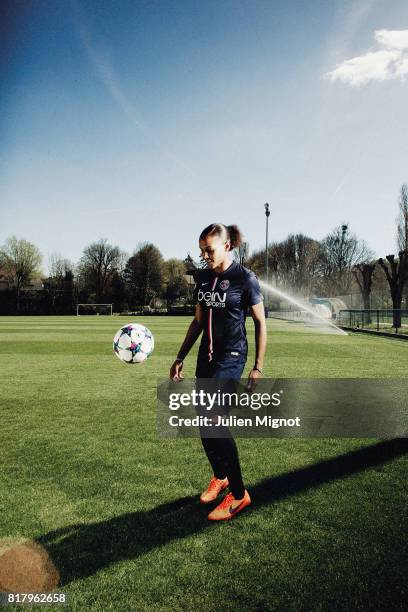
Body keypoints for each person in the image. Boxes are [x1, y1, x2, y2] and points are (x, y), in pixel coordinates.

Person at [170, 223, 267, 520]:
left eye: (209, 250)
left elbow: (261, 324)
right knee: (203, 421)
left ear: (227, 246)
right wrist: (180, 356)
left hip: (233, 357)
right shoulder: (201, 278)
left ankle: (239, 495)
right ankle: (220, 477)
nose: (205, 256)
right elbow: (198, 322)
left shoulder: (245, 279)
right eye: (201, 251)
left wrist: (257, 367)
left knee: (214, 419)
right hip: (207, 358)